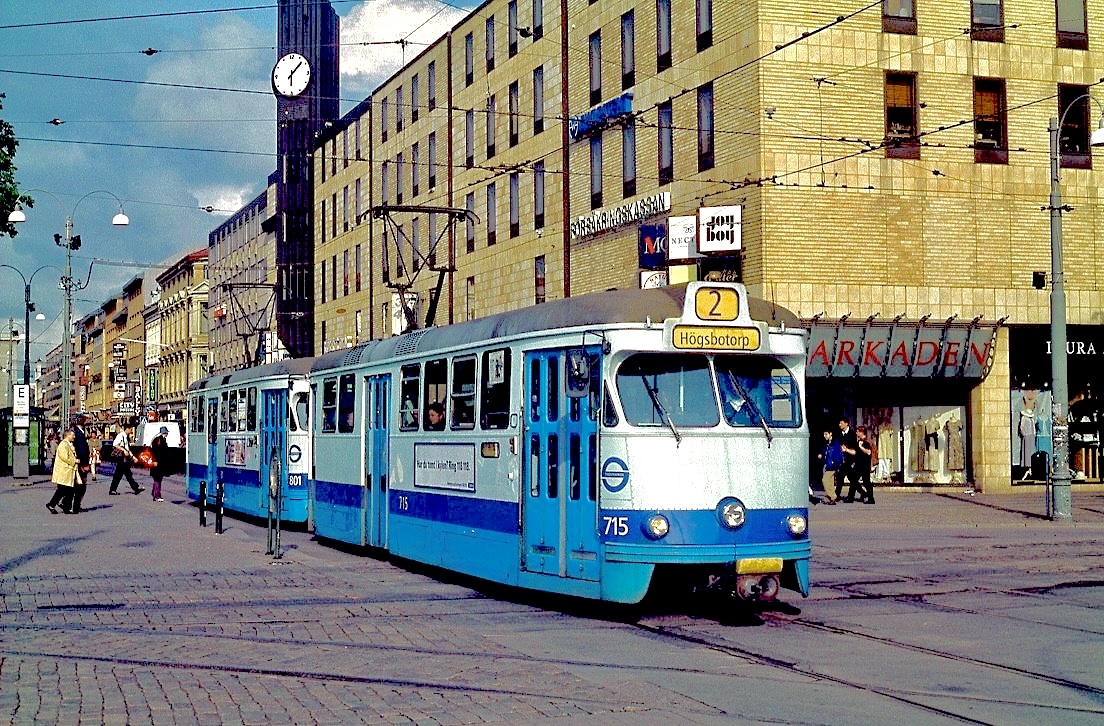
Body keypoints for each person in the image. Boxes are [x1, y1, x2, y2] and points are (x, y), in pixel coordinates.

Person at [47, 429, 81, 514]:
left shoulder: (68, 444)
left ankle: (63, 506)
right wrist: (75, 461)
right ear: (67, 435)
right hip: (64, 470)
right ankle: (54, 504)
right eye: (72, 435)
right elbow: (64, 457)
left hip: (68, 471)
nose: (74, 437)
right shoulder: (63, 445)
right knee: (63, 489)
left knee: (69, 489)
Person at [108, 423, 145, 496]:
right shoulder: (121, 435)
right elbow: (115, 444)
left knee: (124, 474)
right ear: (127, 429)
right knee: (123, 474)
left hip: (124, 458)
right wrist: (123, 450)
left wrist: (133, 457)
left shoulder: (125, 437)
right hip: (121, 458)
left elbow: (127, 449)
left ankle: (114, 489)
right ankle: (135, 488)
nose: (131, 431)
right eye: (130, 429)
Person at [71, 415, 92, 514]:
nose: (85, 420)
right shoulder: (78, 433)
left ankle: (67, 502)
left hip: (79, 461)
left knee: (77, 484)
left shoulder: (79, 431)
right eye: (84, 419)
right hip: (81, 462)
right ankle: (76, 505)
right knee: (81, 485)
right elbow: (81, 449)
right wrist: (84, 464)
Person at [816, 429, 842, 504]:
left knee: (825, 480)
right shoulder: (827, 444)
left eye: (826, 434)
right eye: (824, 434)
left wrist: (835, 463)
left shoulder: (835, 444)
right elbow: (825, 451)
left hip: (832, 465)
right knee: (830, 482)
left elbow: (838, 455)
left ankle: (832, 496)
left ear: (831, 434)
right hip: (827, 464)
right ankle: (832, 498)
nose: (825, 436)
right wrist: (821, 454)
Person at [851, 426, 875, 504]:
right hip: (859, 465)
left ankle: (871, 498)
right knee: (853, 479)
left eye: (858, 432)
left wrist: (861, 447)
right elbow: (855, 452)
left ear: (862, 432)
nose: (856, 433)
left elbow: (868, 452)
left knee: (866, 482)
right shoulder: (859, 441)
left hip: (865, 465)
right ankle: (864, 494)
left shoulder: (867, 442)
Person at [836, 418, 858, 502]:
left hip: (851, 460)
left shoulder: (852, 434)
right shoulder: (839, 434)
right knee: (840, 478)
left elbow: (854, 448)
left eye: (841, 423)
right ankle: (837, 495)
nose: (839, 425)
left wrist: (847, 449)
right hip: (843, 460)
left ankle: (850, 497)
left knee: (852, 479)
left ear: (846, 424)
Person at [149, 426, 171, 502]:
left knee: (158, 478)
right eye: (166, 432)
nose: (167, 434)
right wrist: (155, 460)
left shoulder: (160, 439)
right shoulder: (159, 440)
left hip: (159, 463)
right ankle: (157, 495)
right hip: (157, 463)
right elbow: (156, 451)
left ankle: (154, 493)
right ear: (164, 433)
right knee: (157, 478)